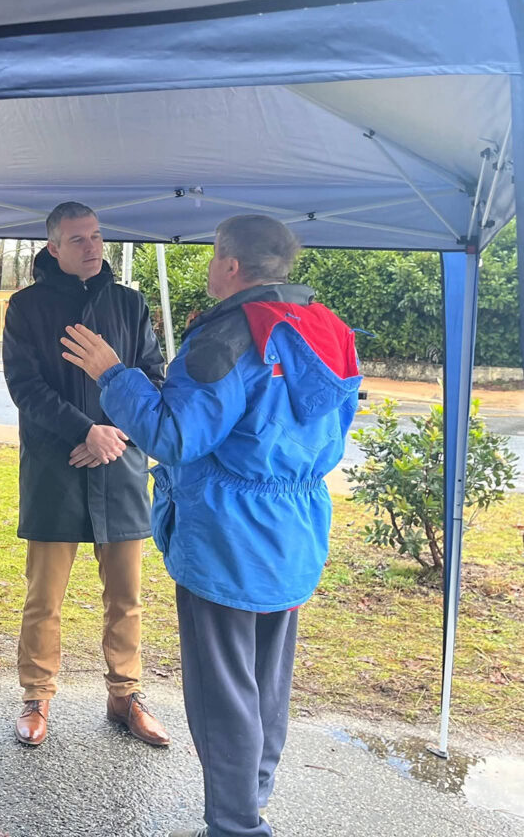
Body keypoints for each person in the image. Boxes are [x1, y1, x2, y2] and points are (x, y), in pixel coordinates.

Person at [61, 214, 361, 837]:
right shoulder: (327, 329)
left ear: (229, 265)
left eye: (212, 257)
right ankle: (252, 799)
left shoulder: (227, 338)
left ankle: (234, 825)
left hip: (226, 541)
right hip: (291, 535)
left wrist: (116, 375)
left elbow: (175, 436)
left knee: (224, 694)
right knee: (265, 685)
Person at [2, 201, 170, 748]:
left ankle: (125, 695)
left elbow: (150, 376)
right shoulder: (25, 308)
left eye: (96, 236)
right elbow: (25, 388)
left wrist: (112, 436)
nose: (92, 247)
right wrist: (83, 431)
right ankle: (37, 695)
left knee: (126, 595)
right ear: (53, 247)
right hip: (56, 466)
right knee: (43, 596)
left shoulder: (130, 303)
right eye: (78, 239)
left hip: (119, 464)